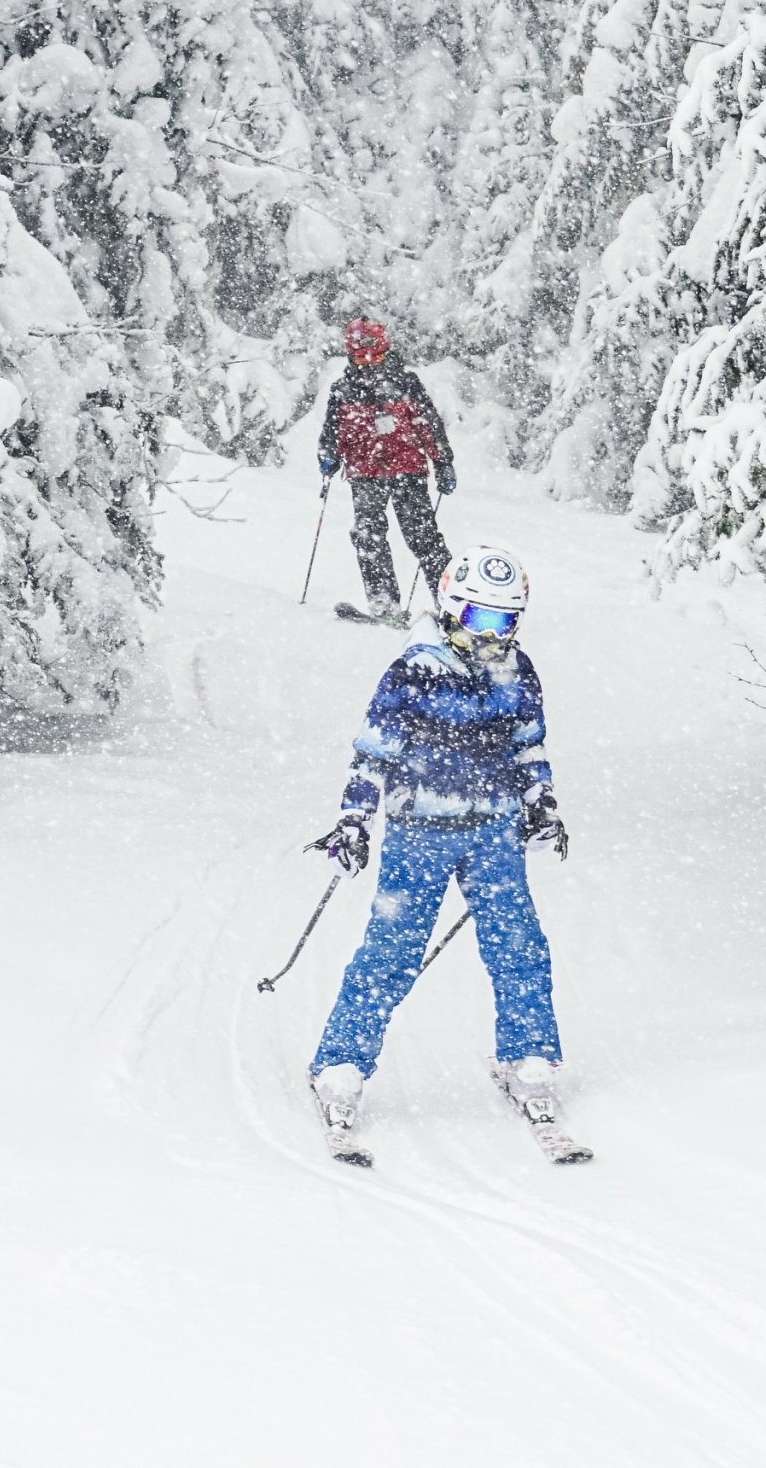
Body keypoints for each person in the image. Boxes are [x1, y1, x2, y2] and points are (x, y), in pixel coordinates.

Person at [307, 544, 575, 1155]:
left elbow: (528, 745)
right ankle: (341, 1066)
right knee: (391, 952)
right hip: (419, 832)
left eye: (507, 621)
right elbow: (372, 751)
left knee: (519, 947)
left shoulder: (518, 670)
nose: (495, 634)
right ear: (453, 609)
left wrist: (542, 803)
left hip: (495, 833)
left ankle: (529, 1057)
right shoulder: (414, 671)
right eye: (483, 619)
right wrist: (354, 818)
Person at [318, 318, 454, 622]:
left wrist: (443, 461)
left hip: (407, 472)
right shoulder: (342, 389)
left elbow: (429, 425)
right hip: (365, 474)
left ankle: (453, 605)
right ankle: (384, 604)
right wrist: (328, 456)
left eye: (375, 356)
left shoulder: (405, 382)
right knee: (368, 536)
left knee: (424, 539)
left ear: (385, 349)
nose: (368, 363)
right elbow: (331, 431)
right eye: (359, 357)